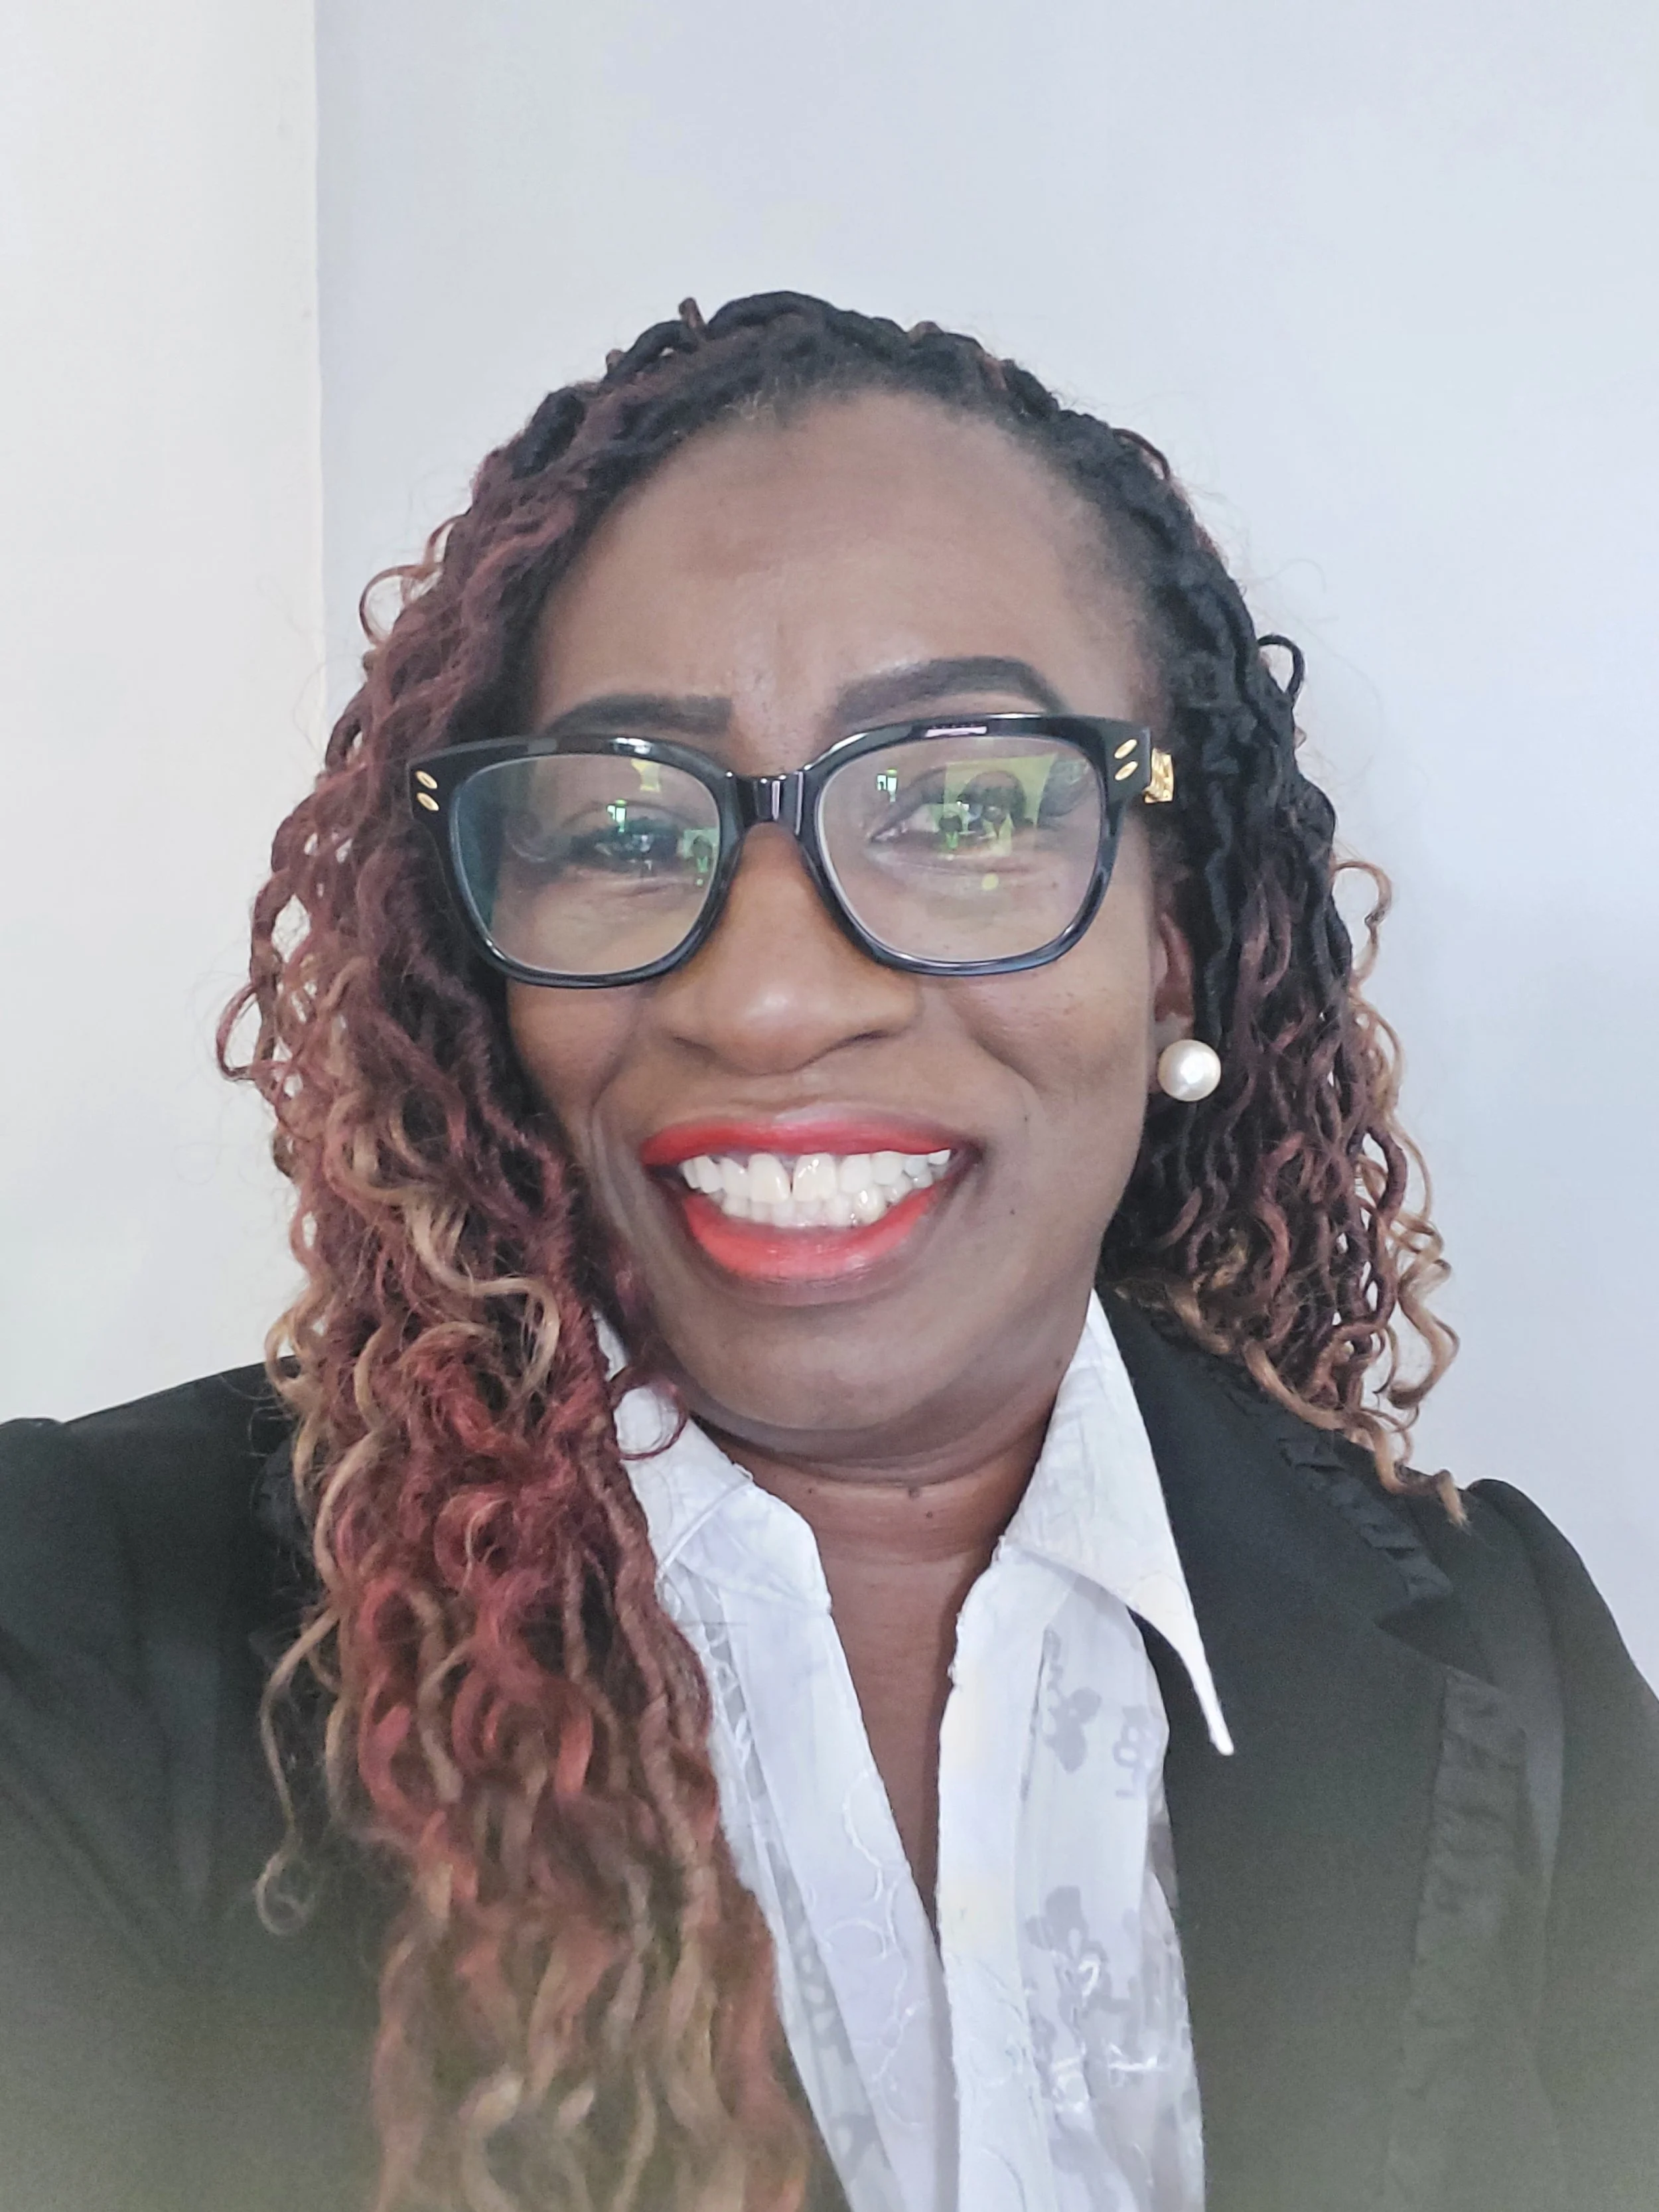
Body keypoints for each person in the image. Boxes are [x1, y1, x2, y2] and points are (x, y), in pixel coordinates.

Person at [1, 292, 1654, 2212]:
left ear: (1170, 944)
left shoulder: (1497, 1656)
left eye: (959, 805)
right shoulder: (88, 1636)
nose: (769, 995)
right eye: (622, 827)